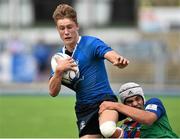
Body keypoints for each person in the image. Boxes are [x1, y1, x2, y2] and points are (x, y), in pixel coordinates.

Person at [48, 3, 129, 138]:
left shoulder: (90, 43)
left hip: (105, 101)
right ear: (58, 30)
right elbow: (52, 92)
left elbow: (109, 54)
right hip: (84, 109)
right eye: (62, 28)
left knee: (107, 129)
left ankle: (131, 135)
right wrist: (58, 72)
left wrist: (117, 60)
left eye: (69, 27)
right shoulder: (58, 59)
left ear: (77, 26)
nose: (66, 32)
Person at [99, 82, 179, 138]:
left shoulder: (153, 103)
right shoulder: (126, 126)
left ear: (143, 99)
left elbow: (148, 119)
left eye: (138, 99)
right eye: (129, 101)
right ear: (125, 105)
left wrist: (116, 106)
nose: (135, 104)